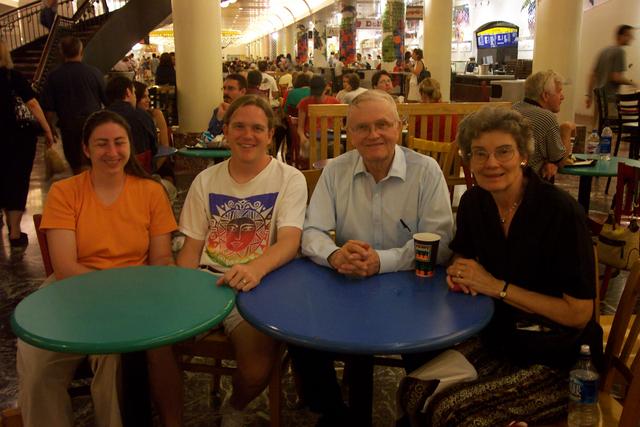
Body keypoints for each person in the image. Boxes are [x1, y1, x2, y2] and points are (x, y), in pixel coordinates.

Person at [397, 107, 599, 427]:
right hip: (501, 339)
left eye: (503, 151)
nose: (491, 163)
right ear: (470, 160)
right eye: (480, 153)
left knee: (452, 412)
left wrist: (496, 287)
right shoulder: (474, 203)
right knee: (412, 390)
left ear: (522, 155)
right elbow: (461, 255)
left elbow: (577, 313)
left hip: (562, 357)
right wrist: (461, 270)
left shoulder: (559, 213)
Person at [294, 90, 454, 426]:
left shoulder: (426, 171)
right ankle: (334, 414)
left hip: (414, 290)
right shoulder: (335, 170)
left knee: (431, 350)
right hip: (347, 286)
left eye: (382, 124)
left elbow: (440, 242)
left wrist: (382, 261)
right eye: (362, 127)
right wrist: (335, 254)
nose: (373, 134)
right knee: (302, 338)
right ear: (350, 134)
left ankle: (416, 413)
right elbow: (312, 232)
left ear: (399, 127)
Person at [17, 110, 181, 427]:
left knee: (115, 359)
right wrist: (116, 291)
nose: (112, 152)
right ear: (86, 149)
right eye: (102, 144)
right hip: (72, 292)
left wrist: (153, 292)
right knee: (36, 361)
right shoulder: (65, 192)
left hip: (133, 295)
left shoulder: (150, 192)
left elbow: (160, 259)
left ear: (130, 146)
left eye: (119, 143)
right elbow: (65, 267)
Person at [177, 95, 306, 426]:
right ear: (226, 131)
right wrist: (180, 294)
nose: (248, 135)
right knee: (156, 347)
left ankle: (237, 405)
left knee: (255, 369)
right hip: (205, 281)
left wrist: (254, 269)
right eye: (239, 127)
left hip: (255, 287)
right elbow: (191, 247)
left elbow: (290, 241)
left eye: (257, 128)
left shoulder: (290, 179)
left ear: (270, 135)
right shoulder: (206, 180)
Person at [0, 40, 54, 248]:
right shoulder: (12, 77)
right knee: (17, 179)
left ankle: (6, 220)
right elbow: (32, 103)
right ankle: (15, 231)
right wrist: (47, 129)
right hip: (18, 138)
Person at [41, 35, 106, 174]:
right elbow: (107, 100)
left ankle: (81, 191)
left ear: (62, 53)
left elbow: (49, 109)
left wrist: (50, 128)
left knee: (75, 164)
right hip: (92, 124)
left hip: (68, 126)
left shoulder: (54, 76)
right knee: (94, 160)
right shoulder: (94, 73)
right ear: (81, 51)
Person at [513, 70, 573, 181]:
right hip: (528, 185)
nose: (562, 97)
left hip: (509, 176)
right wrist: (566, 130)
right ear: (545, 95)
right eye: (559, 92)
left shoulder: (514, 108)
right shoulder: (547, 117)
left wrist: (547, 161)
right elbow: (560, 161)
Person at [106, 76, 158, 174]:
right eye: (134, 92)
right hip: (141, 174)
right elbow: (154, 149)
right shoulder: (143, 116)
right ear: (128, 92)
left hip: (110, 175)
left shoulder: (101, 119)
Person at [586, 24, 636, 109]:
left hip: (599, 97)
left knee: (598, 122)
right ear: (621, 36)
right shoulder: (619, 52)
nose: (631, 38)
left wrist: (589, 95)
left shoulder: (604, 51)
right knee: (611, 122)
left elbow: (592, 75)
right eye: (629, 35)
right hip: (610, 98)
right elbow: (616, 77)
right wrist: (632, 83)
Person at [297, 74, 340, 159]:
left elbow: (339, 125)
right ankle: (317, 171)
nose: (317, 97)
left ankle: (333, 171)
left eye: (319, 94)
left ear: (326, 89)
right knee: (315, 147)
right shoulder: (304, 102)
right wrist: (302, 137)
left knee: (337, 147)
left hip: (331, 137)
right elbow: (300, 128)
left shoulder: (334, 102)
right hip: (312, 138)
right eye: (315, 94)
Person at [414, 77, 460, 142]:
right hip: (448, 150)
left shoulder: (420, 112)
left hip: (422, 150)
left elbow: (410, 137)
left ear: (423, 95)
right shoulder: (451, 111)